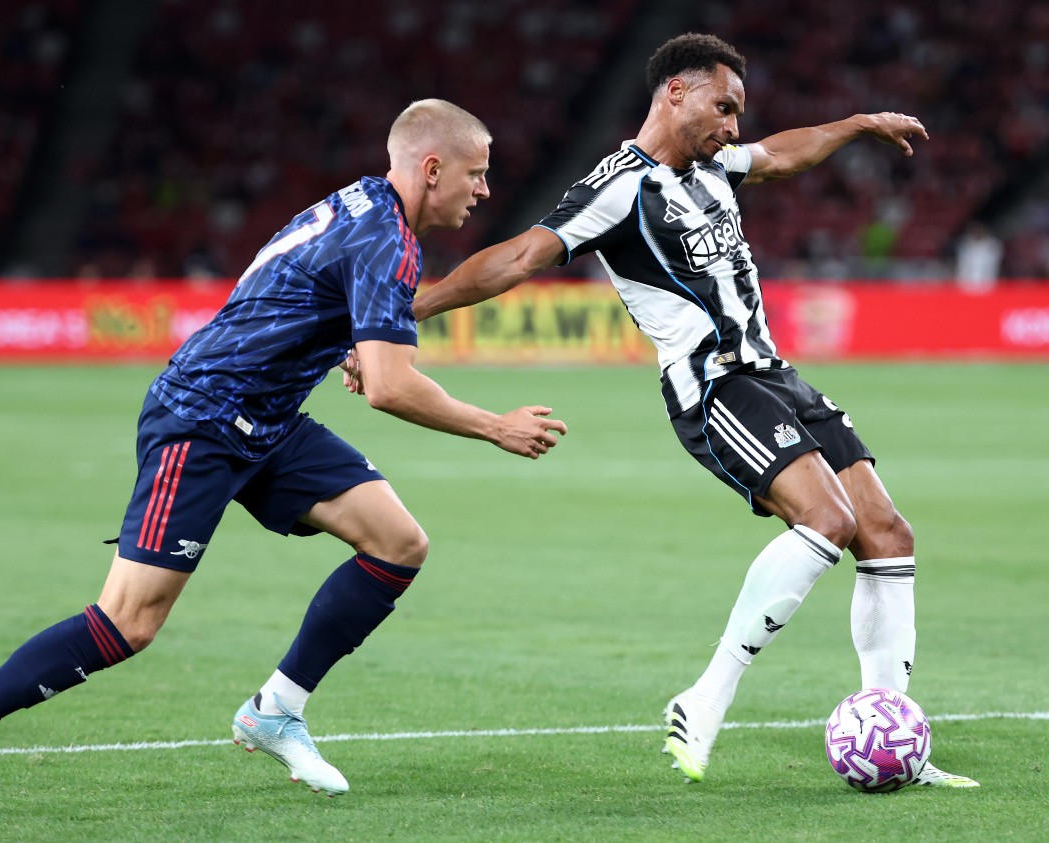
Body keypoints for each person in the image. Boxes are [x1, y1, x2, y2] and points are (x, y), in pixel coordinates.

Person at [0, 98, 568, 825]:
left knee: (398, 542)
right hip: (203, 419)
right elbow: (390, 387)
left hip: (267, 419)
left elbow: (308, 293)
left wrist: (350, 341)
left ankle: (276, 710)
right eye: (476, 173)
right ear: (432, 169)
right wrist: (494, 426)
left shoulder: (365, 206)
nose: (484, 190)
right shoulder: (384, 238)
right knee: (129, 622)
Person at [408, 34, 977, 787]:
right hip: (713, 385)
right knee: (827, 520)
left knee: (887, 533)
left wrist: (858, 124)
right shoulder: (619, 188)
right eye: (723, 107)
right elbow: (517, 258)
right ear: (675, 92)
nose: (733, 126)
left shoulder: (714, 164)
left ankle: (892, 733)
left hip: (774, 374)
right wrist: (410, 309)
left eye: (738, 112)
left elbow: (780, 156)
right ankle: (705, 698)